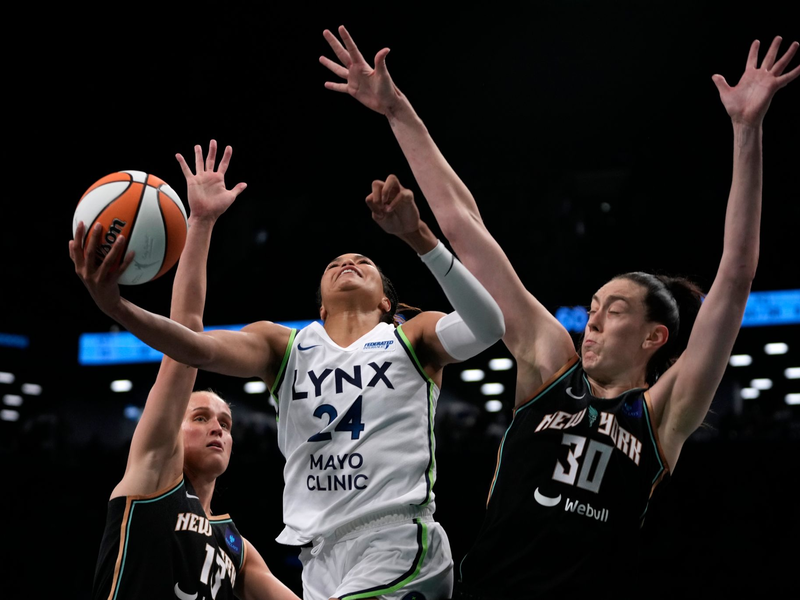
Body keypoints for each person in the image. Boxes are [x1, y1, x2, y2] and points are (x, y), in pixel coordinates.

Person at [320, 26, 799, 599]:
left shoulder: (663, 413)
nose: (592, 320)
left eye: (614, 311)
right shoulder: (551, 365)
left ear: (654, 336)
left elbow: (736, 277)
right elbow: (465, 229)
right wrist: (398, 111)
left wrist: (747, 131)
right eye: (593, 307)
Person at [71, 152, 506, 596]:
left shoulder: (412, 338)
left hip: (394, 540)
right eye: (334, 264)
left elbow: (488, 327)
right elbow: (192, 345)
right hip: (318, 558)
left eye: (363, 262)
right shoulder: (286, 347)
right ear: (320, 305)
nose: (348, 263)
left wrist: (419, 238)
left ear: (385, 304)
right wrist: (121, 303)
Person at [75, 141, 300, 600]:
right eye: (200, 417)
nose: (217, 428)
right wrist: (199, 223)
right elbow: (187, 338)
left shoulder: (236, 546)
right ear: (169, 429)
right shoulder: (155, 474)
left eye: (225, 422)